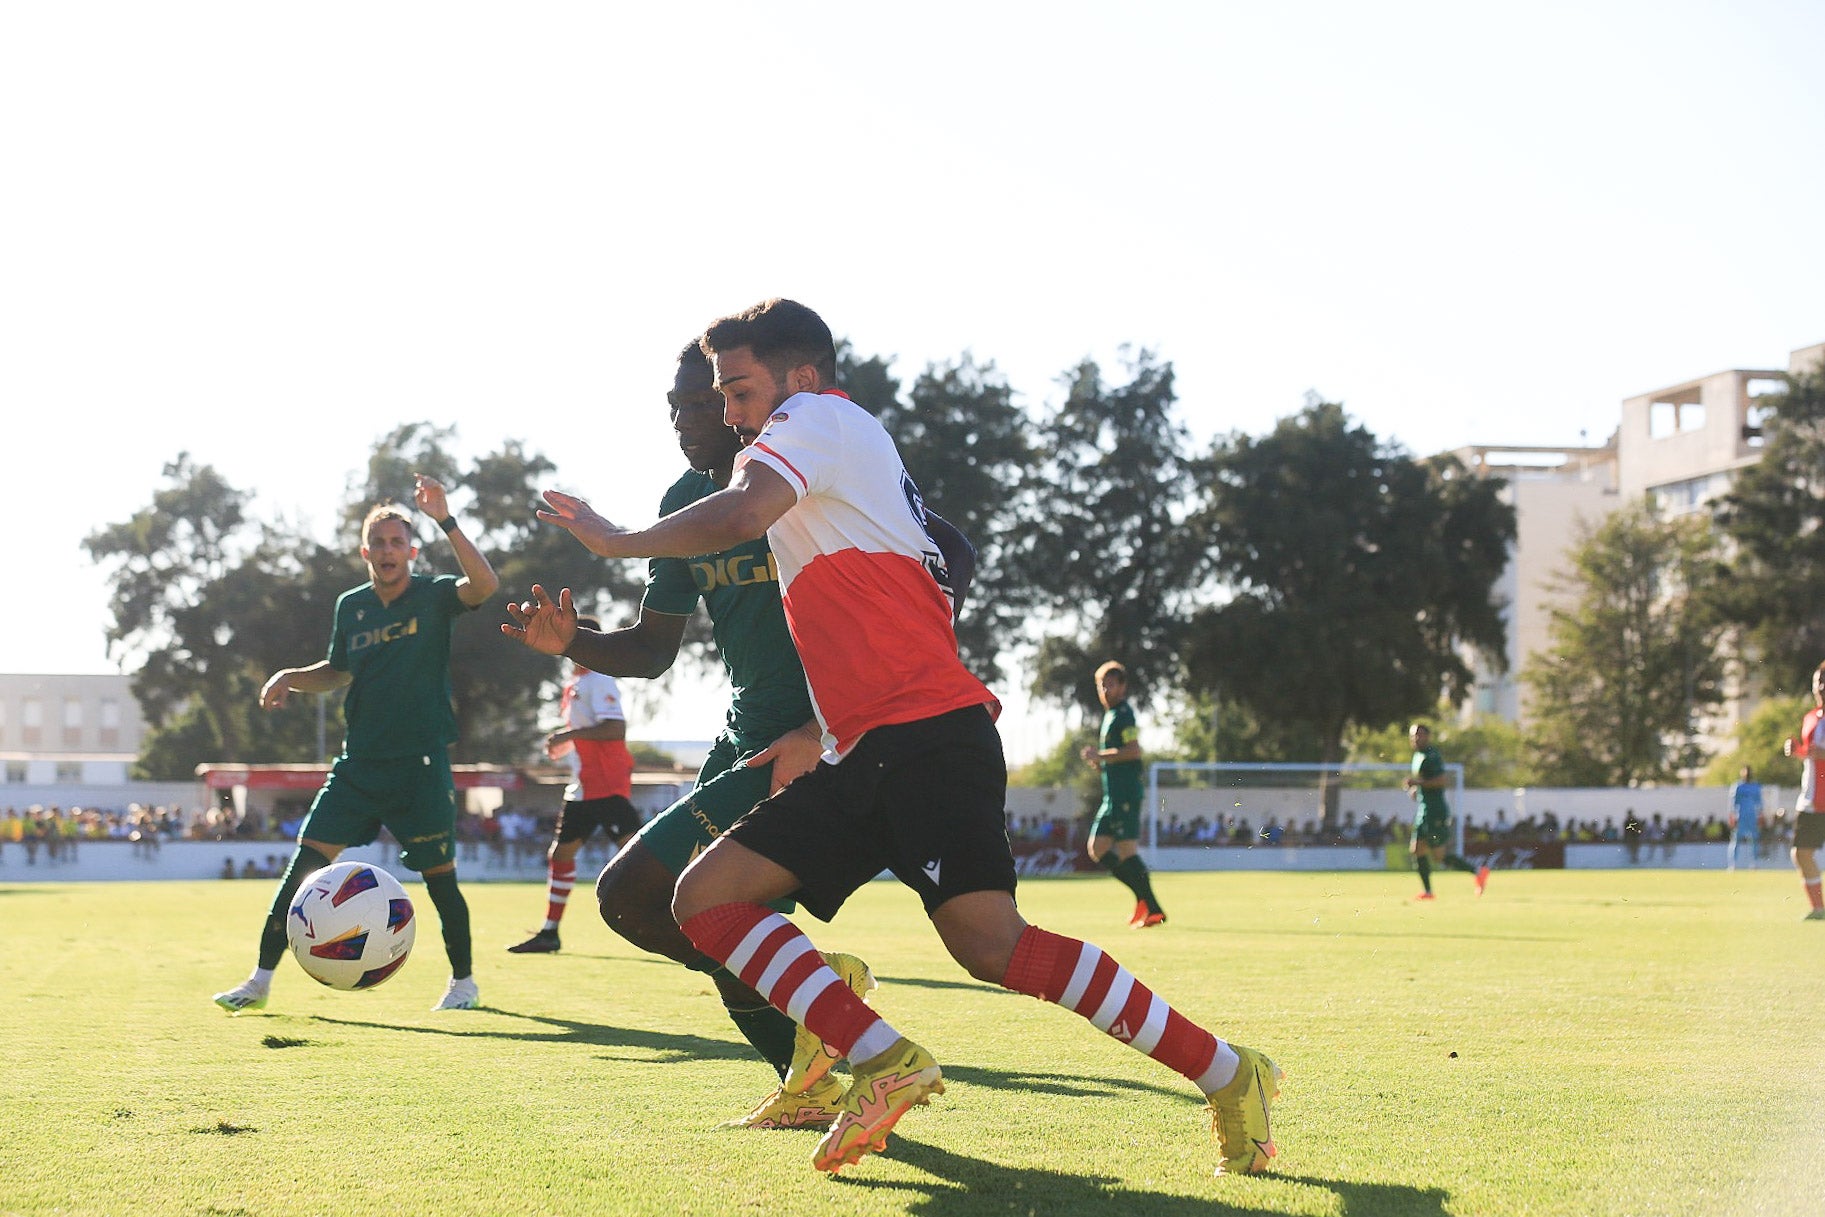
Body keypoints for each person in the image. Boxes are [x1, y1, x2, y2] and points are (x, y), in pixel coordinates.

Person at [534, 298, 1279, 1178]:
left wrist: (613, 540)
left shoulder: (818, 420)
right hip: (862, 748)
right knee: (706, 898)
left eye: (737, 390)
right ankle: (882, 1058)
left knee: (993, 947)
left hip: (926, 735)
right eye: (720, 395)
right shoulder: (817, 452)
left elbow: (741, 515)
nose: (728, 411)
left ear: (800, 378)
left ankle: (1228, 1071)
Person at [506, 340, 953, 1130]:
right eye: (674, 406)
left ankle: (828, 1007)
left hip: (815, 739)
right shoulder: (687, 497)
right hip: (740, 737)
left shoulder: (805, 469)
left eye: (700, 402)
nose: (683, 420)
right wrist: (573, 642)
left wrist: (817, 727)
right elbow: (652, 649)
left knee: (634, 895)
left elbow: (947, 566)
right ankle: (808, 1074)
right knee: (704, 913)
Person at [213, 475, 500, 1013]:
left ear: (412, 551)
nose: (388, 551)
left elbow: (485, 585)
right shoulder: (352, 606)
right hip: (358, 767)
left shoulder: (434, 595)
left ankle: (463, 983)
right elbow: (338, 670)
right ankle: (258, 981)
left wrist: (445, 519)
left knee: (441, 880)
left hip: (419, 766)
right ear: (365, 552)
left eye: (397, 542)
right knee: (302, 870)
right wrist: (291, 677)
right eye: (379, 543)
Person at [506, 615, 644, 954]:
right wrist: (566, 743)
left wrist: (568, 735)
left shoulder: (600, 680)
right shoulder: (577, 684)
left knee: (642, 856)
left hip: (606, 784)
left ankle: (683, 918)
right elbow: (591, 733)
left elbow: (615, 729)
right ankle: (549, 932)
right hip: (583, 786)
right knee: (561, 854)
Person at [1078, 661, 1166, 926]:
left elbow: (1133, 750)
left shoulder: (1124, 714)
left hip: (1125, 794)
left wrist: (1100, 756)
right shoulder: (1110, 716)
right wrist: (1100, 762)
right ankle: (1144, 901)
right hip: (1113, 795)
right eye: (1101, 686)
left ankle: (1153, 908)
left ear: (1123, 687)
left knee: (1127, 851)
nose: (1105, 690)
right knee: (1097, 848)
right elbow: (1118, 757)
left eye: (1111, 685)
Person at [1403, 723, 1489, 900]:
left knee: (1438, 856)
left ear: (1428, 736)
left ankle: (1478, 872)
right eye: (1413, 735)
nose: (1416, 738)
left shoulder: (1432, 756)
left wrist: (1417, 784)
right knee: (1417, 849)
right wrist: (1417, 790)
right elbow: (1426, 781)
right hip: (1423, 809)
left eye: (1420, 735)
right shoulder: (1417, 755)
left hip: (1435, 811)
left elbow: (1441, 781)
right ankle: (1428, 892)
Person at [1781, 662, 1825, 920]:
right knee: (1801, 853)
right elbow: (1811, 755)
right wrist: (1796, 751)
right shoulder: (1810, 718)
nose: (1821, 687)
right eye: (1818, 682)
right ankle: (1819, 909)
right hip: (1811, 799)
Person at [1726, 765, 1763, 873]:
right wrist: (1732, 816)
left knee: (1754, 840)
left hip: (1752, 817)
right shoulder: (1737, 786)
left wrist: (1760, 815)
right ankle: (1732, 864)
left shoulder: (1756, 787)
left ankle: (1754, 863)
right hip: (1740, 817)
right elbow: (1732, 803)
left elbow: (1759, 803)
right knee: (1735, 840)